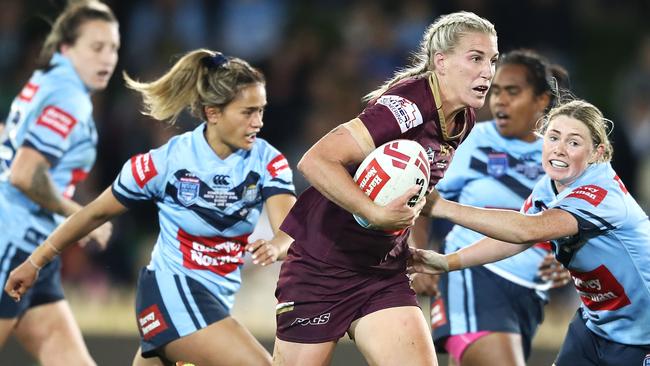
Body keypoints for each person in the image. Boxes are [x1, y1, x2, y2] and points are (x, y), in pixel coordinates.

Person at [4, 49, 297, 366]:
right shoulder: (167, 162)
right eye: (248, 112)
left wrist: (277, 245)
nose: (258, 122)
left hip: (215, 301)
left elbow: (290, 228)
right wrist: (35, 262)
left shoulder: (268, 161)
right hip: (170, 296)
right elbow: (94, 213)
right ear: (213, 113)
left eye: (261, 111)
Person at [273, 11, 498, 366]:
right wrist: (375, 213)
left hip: (381, 271)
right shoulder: (407, 105)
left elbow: (415, 190)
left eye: (492, 60)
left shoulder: (462, 116)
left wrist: (408, 243)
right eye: (476, 58)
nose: (488, 71)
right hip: (323, 266)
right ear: (441, 62)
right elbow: (314, 161)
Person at [410, 100, 650, 366]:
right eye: (553, 137)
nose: (559, 149)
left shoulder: (601, 195)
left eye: (574, 142)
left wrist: (443, 207)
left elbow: (527, 229)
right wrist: (447, 262)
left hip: (641, 339)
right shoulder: (550, 187)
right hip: (595, 327)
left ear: (596, 152)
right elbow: (513, 240)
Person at [409, 49, 572, 366]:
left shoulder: (561, 153)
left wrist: (568, 259)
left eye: (512, 92)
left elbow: (578, 222)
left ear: (541, 100)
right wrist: (417, 253)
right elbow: (418, 196)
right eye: (495, 91)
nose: (500, 101)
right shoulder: (473, 141)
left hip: (529, 295)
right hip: (473, 277)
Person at [0, 1, 118, 364]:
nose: (107, 59)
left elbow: (11, 140)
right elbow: (25, 173)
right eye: (96, 48)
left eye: (113, 48)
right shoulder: (71, 99)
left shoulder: (47, 79)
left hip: (34, 250)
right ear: (67, 48)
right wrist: (82, 217)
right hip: (12, 242)